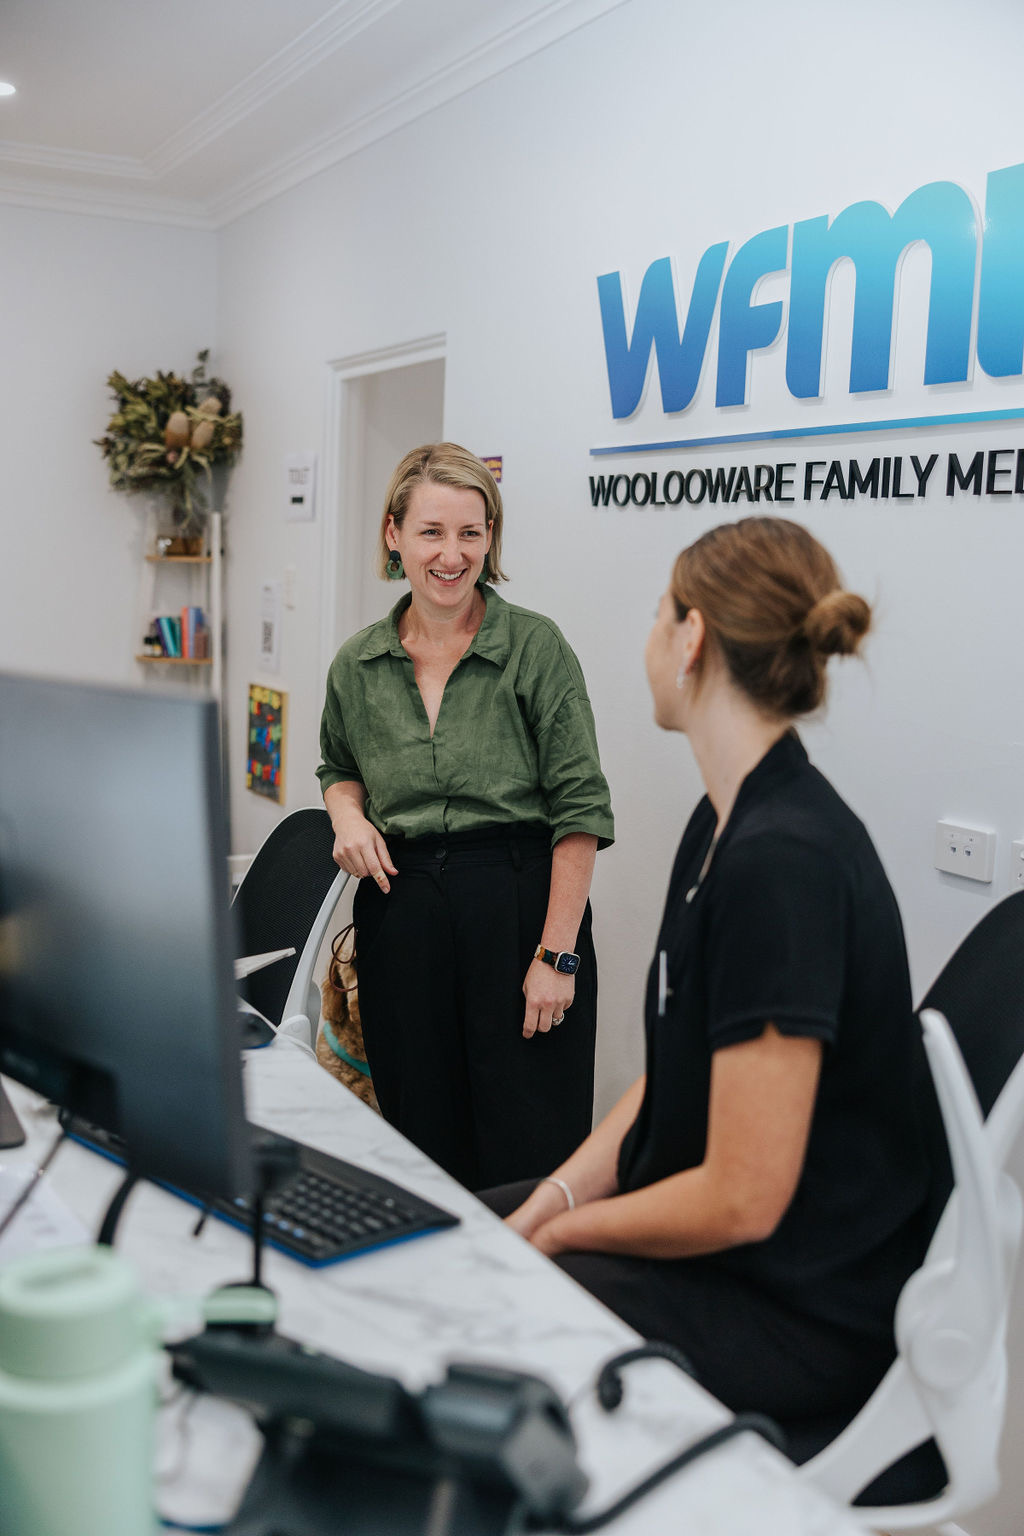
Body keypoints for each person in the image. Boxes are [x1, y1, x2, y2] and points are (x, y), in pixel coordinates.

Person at [487, 516, 931, 1450]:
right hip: (739, 1254)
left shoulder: (785, 865)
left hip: (798, 1306)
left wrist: (568, 1238)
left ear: (691, 639)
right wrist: (560, 1200)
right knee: (482, 1225)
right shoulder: (724, 820)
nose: (648, 637)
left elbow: (743, 1195)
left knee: (498, 1311)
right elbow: (677, 1066)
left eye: (658, 614)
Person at [317, 443, 614, 1191]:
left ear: (490, 539)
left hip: (518, 913)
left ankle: (534, 1307)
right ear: (393, 535)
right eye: (430, 532)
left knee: (529, 1149)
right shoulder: (357, 664)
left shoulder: (535, 648)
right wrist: (345, 816)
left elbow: (579, 810)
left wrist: (560, 954)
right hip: (403, 912)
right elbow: (338, 767)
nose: (452, 555)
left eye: (471, 534)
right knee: (421, 1149)